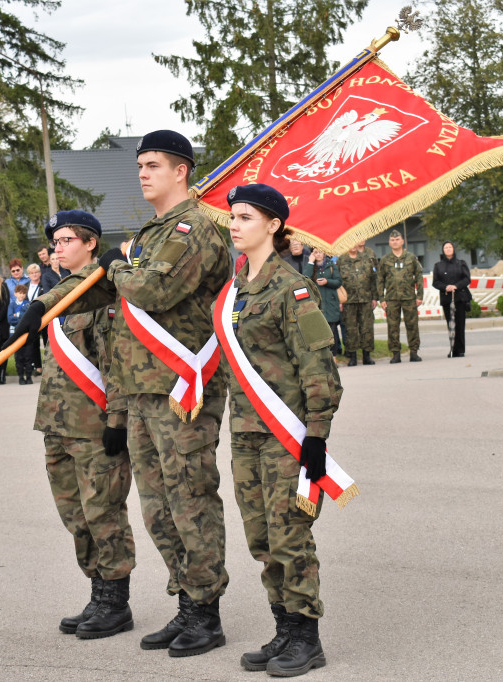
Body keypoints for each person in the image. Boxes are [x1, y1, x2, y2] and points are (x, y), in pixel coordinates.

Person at [16, 130, 232, 657]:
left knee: (189, 500)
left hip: (182, 389)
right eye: (140, 165)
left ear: (181, 170)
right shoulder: (153, 233)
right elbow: (102, 286)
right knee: (159, 509)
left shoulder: (195, 228)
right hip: (141, 391)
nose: (142, 172)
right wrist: (45, 306)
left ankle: (206, 612)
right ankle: (186, 604)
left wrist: (115, 263)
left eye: (153, 164)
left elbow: (152, 288)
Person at [215, 184, 341, 676]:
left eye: (245, 217)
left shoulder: (293, 289)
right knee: (262, 539)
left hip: (286, 435)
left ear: (273, 226)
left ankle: (307, 638)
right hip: (246, 432)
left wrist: (316, 434)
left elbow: (318, 367)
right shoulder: (235, 291)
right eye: (233, 217)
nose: (234, 225)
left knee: (290, 535)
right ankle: (283, 629)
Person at [34, 210, 136, 640]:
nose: (57, 248)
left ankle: (116, 601)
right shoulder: (58, 292)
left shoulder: (103, 290)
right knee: (75, 514)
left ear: (91, 243)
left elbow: (115, 362)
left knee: (103, 512)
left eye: (65, 240)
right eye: (54, 242)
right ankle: (98, 592)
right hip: (58, 421)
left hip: (94, 424)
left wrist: (116, 417)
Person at [377, 229, 423, 363]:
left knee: (412, 325)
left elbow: (419, 277)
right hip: (391, 298)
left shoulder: (411, 258)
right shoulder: (385, 260)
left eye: (397, 240)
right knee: (392, 326)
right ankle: (395, 353)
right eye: (392, 240)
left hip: (409, 297)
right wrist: (382, 298)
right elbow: (380, 280)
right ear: (389, 243)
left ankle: (414, 352)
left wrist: (419, 295)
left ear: (402, 241)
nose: (395, 242)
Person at [337, 243, 378, 367]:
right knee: (351, 329)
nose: (353, 245)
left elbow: (373, 279)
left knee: (367, 328)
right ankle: (352, 356)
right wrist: (339, 300)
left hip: (365, 299)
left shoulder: (366, 258)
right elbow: (337, 281)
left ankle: (367, 355)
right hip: (348, 300)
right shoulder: (341, 260)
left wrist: (375, 298)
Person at [432, 241, 472, 358]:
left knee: (460, 324)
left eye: (450, 247)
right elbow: (435, 282)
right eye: (446, 247)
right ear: (443, 250)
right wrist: (446, 287)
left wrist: (456, 286)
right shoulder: (438, 266)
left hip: (459, 297)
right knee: (450, 324)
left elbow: (467, 279)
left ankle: (460, 350)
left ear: (453, 249)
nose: (448, 249)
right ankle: (452, 348)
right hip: (446, 298)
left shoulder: (461, 263)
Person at [303, 249, 343, 356]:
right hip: (317, 304)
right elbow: (305, 279)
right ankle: (323, 357)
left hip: (331, 303)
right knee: (319, 332)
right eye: (315, 252)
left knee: (332, 331)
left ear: (324, 253)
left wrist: (327, 281)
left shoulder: (331, 265)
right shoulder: (311, 266)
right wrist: (311, 262)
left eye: (320, 252)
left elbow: (338, 282)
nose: (318, 254)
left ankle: (333, 357)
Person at [7, 284, 35, 384]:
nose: (21, 295)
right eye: (19, 293)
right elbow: (10, 319)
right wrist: (21, 318)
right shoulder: (12, 305)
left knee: (28, 356)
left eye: (23, 293)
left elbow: (29, 319)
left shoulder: (28, 304)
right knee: (18, 357)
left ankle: (29, 376)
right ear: (15, 294)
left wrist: (17, 316)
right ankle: (21, 377)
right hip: (15, 335)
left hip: (26, 334)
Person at [25, 264, 45, 375]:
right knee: (34, 343)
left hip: (44, 316)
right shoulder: (26, 286)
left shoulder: (43, 284)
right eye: (32, 273)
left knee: (47, 342)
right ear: (29, 275)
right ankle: (38, 367)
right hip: (31, 318)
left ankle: (48, 366)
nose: (34, 274)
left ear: (40, 273)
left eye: (36, 272)